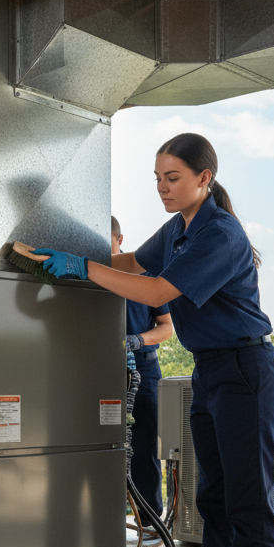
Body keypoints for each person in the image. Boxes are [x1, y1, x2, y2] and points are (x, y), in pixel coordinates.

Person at [36, 134, 274, 547]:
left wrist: (83, 270)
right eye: (157, 179)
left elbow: (155, 293)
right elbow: (132, 265)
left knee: (248, 503)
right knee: (213, 499)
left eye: (173, 178)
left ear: (204, 179)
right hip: (210, 371)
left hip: (246, 370)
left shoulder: (219, 233)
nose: (163, 189)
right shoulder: (178, 228)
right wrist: (69, 256)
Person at [111, 216, 173, 522]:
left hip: (142, 368)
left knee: (143, 444)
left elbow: (166, 327)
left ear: (120, 241)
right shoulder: (86, 272)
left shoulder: (146, 271)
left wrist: (137, 340)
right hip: (93, 368)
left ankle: (149, 521)